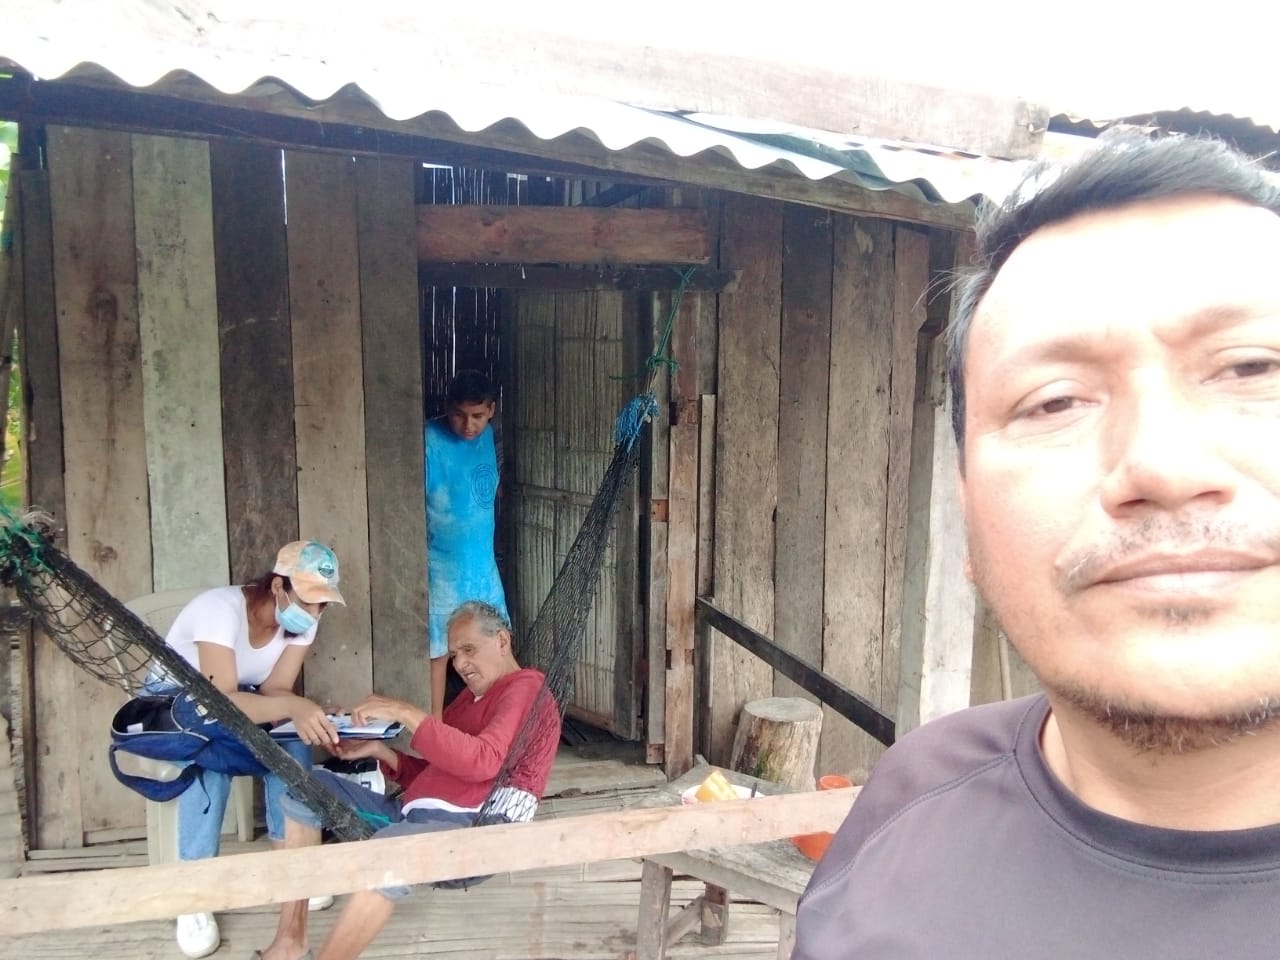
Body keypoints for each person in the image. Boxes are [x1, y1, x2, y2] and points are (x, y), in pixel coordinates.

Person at [794, 134, 1280, 958]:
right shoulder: (915, 792)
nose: (1161, 465)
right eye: (1054, 402)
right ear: (967, 516)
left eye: (1251, 368)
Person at [255, 600, 561, 960]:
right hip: (415, 816)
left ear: (502, 641)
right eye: (454, 655)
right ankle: (289, 942)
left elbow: (483, 762)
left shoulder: (525, 688)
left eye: (469, 650)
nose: (460, 664)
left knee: (390, 852)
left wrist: (404, 711)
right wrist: (381, 753)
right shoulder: (466, 702)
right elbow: (440, 774)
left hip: (479, 829)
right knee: (307, 787)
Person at [147, 540, 346, 959]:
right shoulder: (220, 611)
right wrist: (293, 707)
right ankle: (194, 893)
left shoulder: (304, 622)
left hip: (235, 696)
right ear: (277, 586)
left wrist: (305, 711)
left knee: (294, 742)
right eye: (307, 600)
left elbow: (275, 689)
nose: (313, 613)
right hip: (172, 704)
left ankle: (290, 864)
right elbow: (222, 703)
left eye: (323, 604)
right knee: (211, 757)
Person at [425, 370, 509, 721]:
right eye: (459, 415)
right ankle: (433, 727)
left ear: (491, 410)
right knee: (438, 651)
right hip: (441, 566)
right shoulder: (428, 440)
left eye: (477, 415)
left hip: (482, 565)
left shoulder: (488, 435)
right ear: (447, 407)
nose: (468, 425)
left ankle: (502, 721)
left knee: (497, 640)